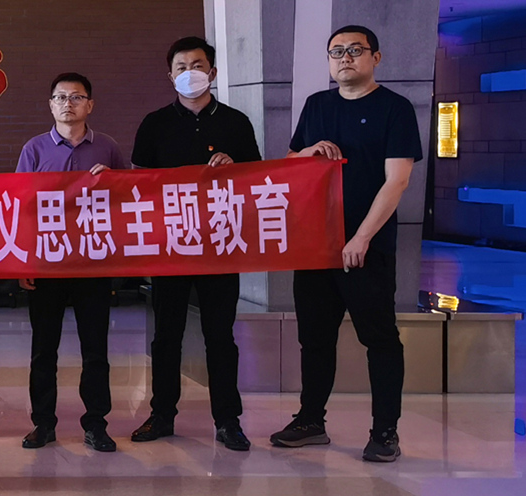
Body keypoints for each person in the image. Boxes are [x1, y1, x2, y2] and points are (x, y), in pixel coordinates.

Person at [275, 25, 422, 463]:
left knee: (379, 339)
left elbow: (397, 181)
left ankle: (385, 431)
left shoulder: (394, 109)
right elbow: (290, 163)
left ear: (375, 57)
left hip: (365, 247)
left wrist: (361, 236)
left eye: (355, 50)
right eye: (336, 51)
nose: (345, 58)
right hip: (316, 244)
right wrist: (307, 153)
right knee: (314, 338)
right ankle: (310, 420)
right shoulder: (317, 105)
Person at [129, 37, 262, 452]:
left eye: (198, 65)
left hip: (220, 244)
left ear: (213, 72)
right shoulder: (154, 124)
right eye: (182, 67)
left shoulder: (236, 123)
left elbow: (259, 180)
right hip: (170, 246)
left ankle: (228, 420)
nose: (191, 73)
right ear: (170, 76)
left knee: (219, 335)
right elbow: (137, 184)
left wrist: (234, 168)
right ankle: (162, 414)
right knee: (166, 335)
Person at [16, 72, 128, 453]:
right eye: (61, 97)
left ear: (90, 105)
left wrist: (114, 180)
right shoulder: (34, 149)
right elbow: (20, 208)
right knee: (43, 349)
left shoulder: (108, 148)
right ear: (51, 105)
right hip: (46, 264)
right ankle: (43, 423)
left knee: (95, 349)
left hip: (93, 264)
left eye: (77, 97)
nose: (68, 103)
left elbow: (129, 199)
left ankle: (96, 423)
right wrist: (23, 263)